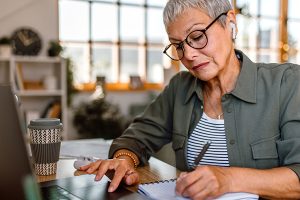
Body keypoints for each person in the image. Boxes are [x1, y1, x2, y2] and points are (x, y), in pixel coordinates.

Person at [80, 0, 300, 199]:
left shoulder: (287, 83)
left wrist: (228, 180)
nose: (188, 55)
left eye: (197, 37)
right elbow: (137, 137)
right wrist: (124, 160)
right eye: (178, 46)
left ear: (230, 23)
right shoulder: (179, 88)